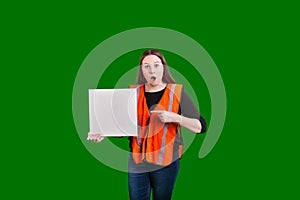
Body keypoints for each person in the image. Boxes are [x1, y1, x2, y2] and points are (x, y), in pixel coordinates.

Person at [88, 49, 206, 200]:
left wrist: (175, 117)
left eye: (156, 65)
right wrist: (103, 133)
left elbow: (200, 126)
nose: (152, 70)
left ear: (163, 67)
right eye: (146, 66)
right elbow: (125, 127)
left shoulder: (177, 92)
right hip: (137, 162)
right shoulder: (132, 93)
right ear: (141, 70)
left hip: (166, 163)